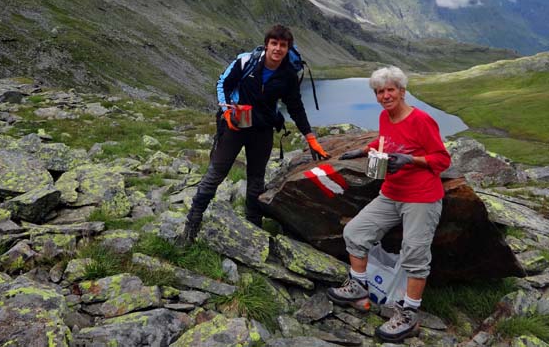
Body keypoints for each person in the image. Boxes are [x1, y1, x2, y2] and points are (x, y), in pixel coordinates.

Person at [326, 66, 451, 342]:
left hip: (421, 198)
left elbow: (442, 159)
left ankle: (409, 314)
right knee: (355, 233)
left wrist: (413, 160)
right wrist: (364, 150)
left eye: (390, 90)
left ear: (402, 91)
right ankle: (359, 286)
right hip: (391, 193)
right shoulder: (385, 117)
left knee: (414, 255)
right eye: (380, 91)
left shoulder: (422, 120)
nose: (385, 96)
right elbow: (386, 142)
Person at [177, 24, 330, 245]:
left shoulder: (288, 75)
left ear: (288, 49)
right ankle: (192, 224)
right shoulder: (246, 62)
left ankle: (252, 229)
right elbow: (223, 83)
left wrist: (310, 137)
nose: (278, 49)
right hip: (235, 126)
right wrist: (227, 111)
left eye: (283, 45)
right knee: (215, 174)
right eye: (274, 43)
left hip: (263, 130)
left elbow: (295, 107)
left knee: (256, 180)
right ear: (267, 44)